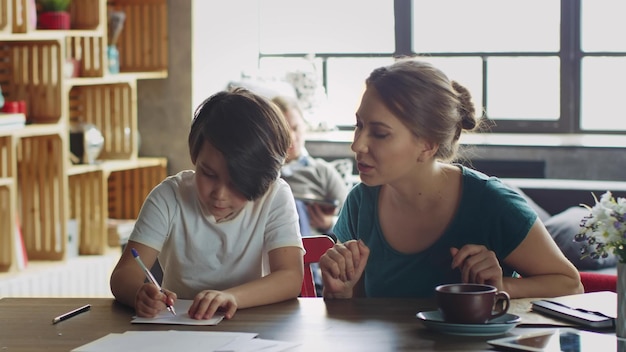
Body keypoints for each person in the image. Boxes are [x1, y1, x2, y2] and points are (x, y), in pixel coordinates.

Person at [319, 59, 583, 299]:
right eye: (359, 125)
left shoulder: (491, 203)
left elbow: (570, 285)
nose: (357, 145)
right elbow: (359, 311)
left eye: (379, 133)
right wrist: (340, 294)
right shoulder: (359, 203)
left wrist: (503, 287)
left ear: (427, 145)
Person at [110, 88, 304, 320]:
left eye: (236, 183)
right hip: (178, 328)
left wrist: (233, 297)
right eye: (208, 174)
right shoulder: (169, 196)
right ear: (195, 156)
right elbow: (124, 274)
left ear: (263, 179)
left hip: (250, 326)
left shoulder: (275, 196)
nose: (220, 194)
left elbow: (290, 276)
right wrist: (138, 293)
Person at [272, 95, 349, 236]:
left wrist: (329, 223)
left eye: (295, 128)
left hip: (316, 246)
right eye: (283, 131)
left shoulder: (323, 171)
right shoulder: (264, 173)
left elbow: (352, 220)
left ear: (304, 126)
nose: (291, 138)